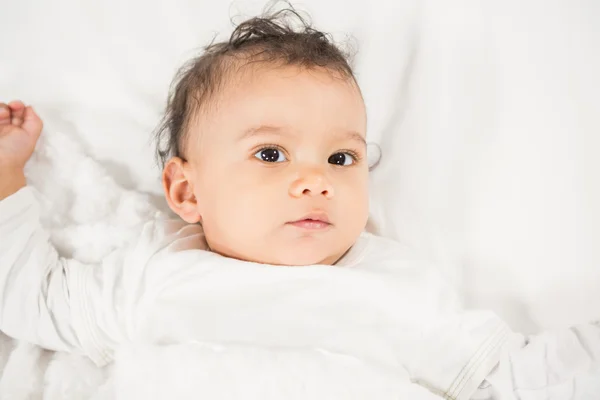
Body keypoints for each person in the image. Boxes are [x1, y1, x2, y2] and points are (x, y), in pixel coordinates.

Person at [0, 8, 598, 400]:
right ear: (187, 191)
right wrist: (8, 176)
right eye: (270, 154)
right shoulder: (151, 276)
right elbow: (33, 299)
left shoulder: (396, 289)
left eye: (341, 159)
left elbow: (516, 377)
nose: (316, 182)